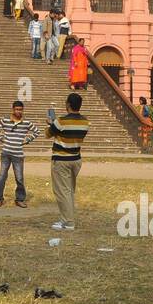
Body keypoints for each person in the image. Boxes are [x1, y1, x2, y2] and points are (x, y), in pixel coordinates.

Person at [48, 93, 89, 231]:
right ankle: (67, 218)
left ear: (68, 105)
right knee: (69, 190)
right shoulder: (85, 122)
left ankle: (68, 222)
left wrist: (51, 124)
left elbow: (48, 133)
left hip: (61, 159)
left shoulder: (61, 121)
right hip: (76, 158)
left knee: (62, 191)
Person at [0, 100, 40, 207]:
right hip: (6, 153)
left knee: (19, 178)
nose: (19, 111)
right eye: (17, 109)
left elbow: (37, 131)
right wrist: (1, 138)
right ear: (13, 110)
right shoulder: (5, 120)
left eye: (21, 110)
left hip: (18, 155)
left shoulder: (26, 123)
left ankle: (19, 199)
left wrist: (27, 140)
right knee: (2, 176)